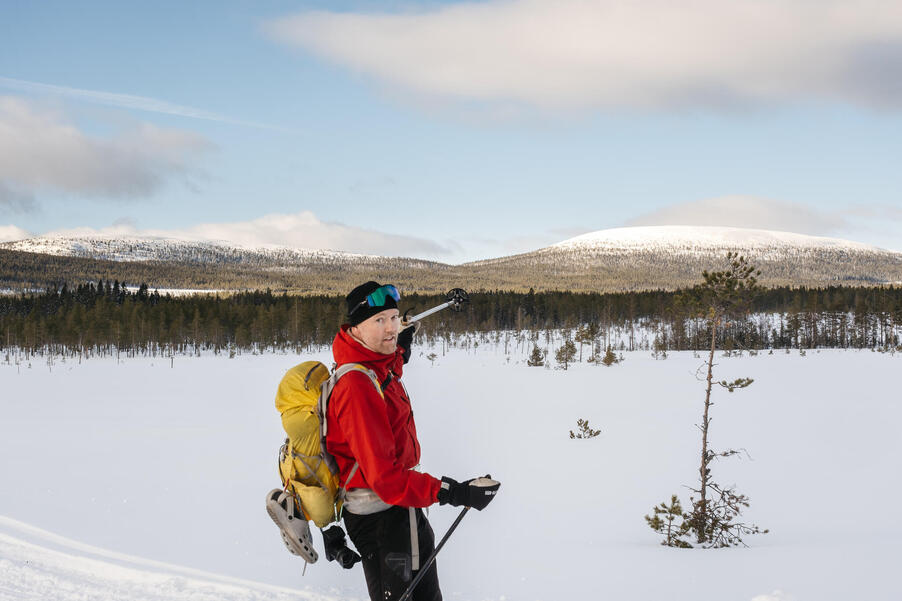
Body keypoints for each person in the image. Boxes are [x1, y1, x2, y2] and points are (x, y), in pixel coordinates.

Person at [326, 281, 500, 601]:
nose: (391, 327)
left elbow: (386, 375)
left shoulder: (369, 368)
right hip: (385, 515)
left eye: (394, 318)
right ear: (357, 327)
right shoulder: (356, 385)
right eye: (379, 321)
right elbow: (387, 480)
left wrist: (400, 351)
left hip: (392, 512)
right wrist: (456, 491)